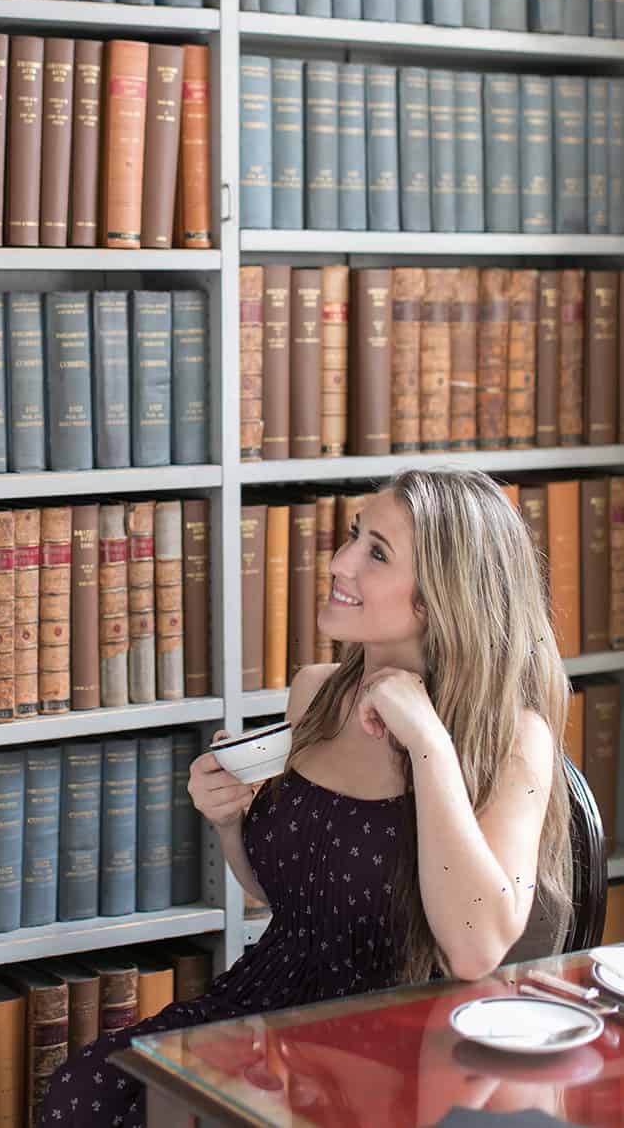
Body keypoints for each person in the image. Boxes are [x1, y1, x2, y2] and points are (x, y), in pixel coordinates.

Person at [38, 468, 573, 1126]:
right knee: (79, 1093)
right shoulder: (315, 693)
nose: (339, 561)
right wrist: (230, 822)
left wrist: (429, 745)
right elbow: (284, 898)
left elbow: (474, 951)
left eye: (375, 552)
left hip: (394, 1034)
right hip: (265, 997)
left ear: (441, 597)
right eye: (353, 538)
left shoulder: (514, 736)